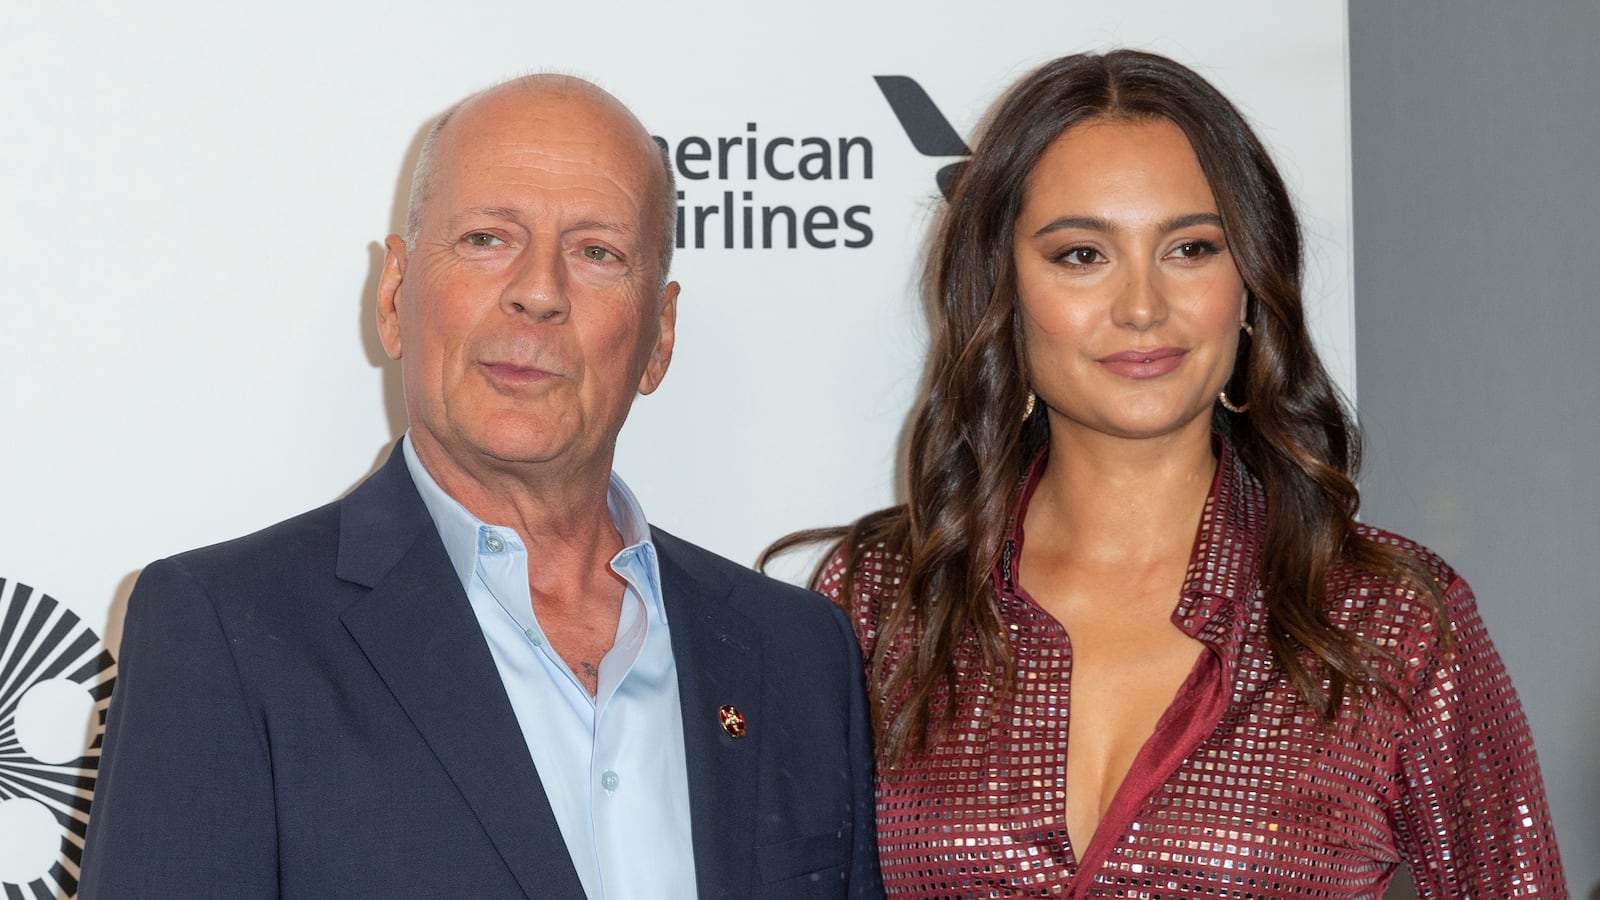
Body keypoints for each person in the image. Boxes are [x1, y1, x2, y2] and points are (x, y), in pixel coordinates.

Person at [767, 50, 1566, 896]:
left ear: (1251, 284)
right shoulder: (888, 596)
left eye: (1189, 248)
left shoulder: (1384, 619)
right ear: (1002, 290)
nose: (1142, 306)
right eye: (1081, 255)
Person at [81, 75, 881, 900]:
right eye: (487, 239)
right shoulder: (225, 630)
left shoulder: (798, 652)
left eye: (596, 252)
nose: (538, 292)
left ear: (658, 337)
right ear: (394, 296)